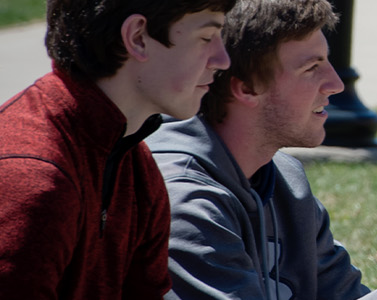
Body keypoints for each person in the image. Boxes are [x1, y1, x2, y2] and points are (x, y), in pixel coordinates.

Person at [150, 0, 377, 298]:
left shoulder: (285, 178)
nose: (336, 84)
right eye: (311, 69)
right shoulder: (183, 202)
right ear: (247, 88)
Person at [0, 0, 233, 298]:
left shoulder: (134, 163)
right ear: (138, 37)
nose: (223, 59)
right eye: (206, 37)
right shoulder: (32, 177)